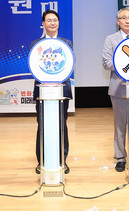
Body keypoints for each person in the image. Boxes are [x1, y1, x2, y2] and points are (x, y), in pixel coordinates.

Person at [101, 7, 129, 173]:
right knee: (120, 125)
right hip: (118, 88)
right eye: (123, 18)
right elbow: (106, 63)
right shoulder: (110, 39)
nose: (127, 21)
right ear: (118, 21)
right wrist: (124, 63)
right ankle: (120, 157)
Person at [32, 9, 72, 174]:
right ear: (43, 23)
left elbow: (69, 65)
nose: (52, 23)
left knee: (62, 125)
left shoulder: (66, 43)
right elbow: (34, 67)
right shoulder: (36, 44)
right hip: (42, 91)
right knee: (42, 125)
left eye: (55, 20)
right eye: (48, 20)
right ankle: (41, 160)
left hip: (61, 90)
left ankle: (62, 160)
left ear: (59, 23)